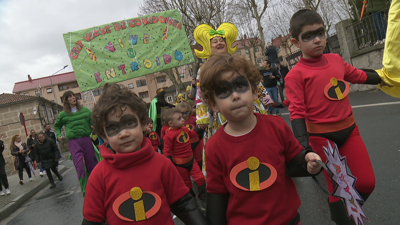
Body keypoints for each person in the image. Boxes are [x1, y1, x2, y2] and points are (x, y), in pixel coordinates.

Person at [285, 9, 389, 224]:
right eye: (308, 36)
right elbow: (297, 112)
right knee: (336, 188)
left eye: (321, 33)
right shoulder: (295, 75)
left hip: (350, 131)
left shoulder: (336, 60)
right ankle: (343, 220)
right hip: (322, 139)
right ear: (296, 42)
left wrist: (384, 78)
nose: (317, 40)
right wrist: (304, 149)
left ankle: (350, 215)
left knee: (367, 182)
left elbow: (358, 75)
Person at [199, 53, 322, 225]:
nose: (235, 96)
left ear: (255, 91)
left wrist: (309, 162)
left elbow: (296, 157)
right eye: (224, 91)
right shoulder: (214, 146)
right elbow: (216, 196)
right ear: (213, 104)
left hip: (288, 220)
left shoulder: (276, 126)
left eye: (241, 86)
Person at [83, 83, 209, 225]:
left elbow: (184, 205)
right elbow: (92, 222)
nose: (123, 133)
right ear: (103, 135)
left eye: (129, 122)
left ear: (143, 123)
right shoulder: (99, 176)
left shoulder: (162, 165)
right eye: (112, 128)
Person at [193, 23, 267, 175]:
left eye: (222, 40)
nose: (219, 42)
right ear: (208, 46)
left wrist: (265, 97)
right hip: (222, 113)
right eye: (215, 41)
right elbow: (201, 93)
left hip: (248, 107)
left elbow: (253, 81)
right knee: (229, 144)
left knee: (257, 136)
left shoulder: (238, 62)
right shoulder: (204, 69)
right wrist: (202, 116)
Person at [54, 91, 98, 195]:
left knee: (92, 165)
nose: (73, 98)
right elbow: (57, 126)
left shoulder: (85, 111)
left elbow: (94, 122)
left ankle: (96, 186)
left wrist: (96, 123)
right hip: (74, 142)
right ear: (66, 100)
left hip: (86, 140)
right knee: (79, 167)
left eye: (74, 96)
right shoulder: (63, 114)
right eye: (70, 97)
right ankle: (85, 190)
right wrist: (58, 134)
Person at [162, 108, 207, 210]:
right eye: (179, 118)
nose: (182, 119)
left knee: (200, 178)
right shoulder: (168, 136)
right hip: (180, 165)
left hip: (192, 161)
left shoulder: (185, 129)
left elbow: (193, 134)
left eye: (182, 117)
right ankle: (193, 201)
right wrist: (170, 166)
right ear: (171, 123)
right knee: (187, 184)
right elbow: (167, 151)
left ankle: (204, 199)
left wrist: (200, 127)